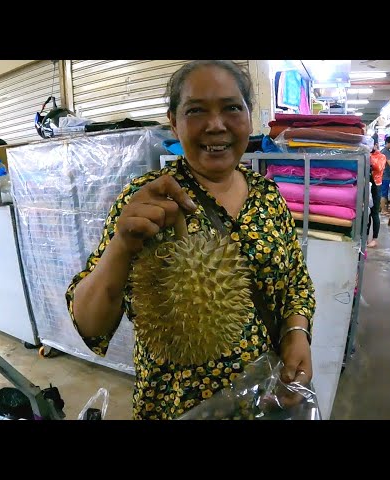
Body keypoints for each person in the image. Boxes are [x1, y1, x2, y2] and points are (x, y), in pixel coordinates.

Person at [65, 60, 316, 420]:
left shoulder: (268, 195)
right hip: (177, 408)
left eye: (231, 107)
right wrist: (121, 243)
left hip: (267, 398)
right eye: (196, 111)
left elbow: (295, 280)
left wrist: (296, 333)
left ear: (249, 115)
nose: (216, 125)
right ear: (173, 122)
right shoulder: (144, 202)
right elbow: (89, 325)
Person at [367, 142, 386, 248]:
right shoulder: (365, 154)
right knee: (366, 213)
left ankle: (375, 238)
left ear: (375, 145)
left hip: (376, 186)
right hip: (366, 185)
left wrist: (368, 157)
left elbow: (378, 167)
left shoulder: (381, 156)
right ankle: (365, 237)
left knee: (374, 213)